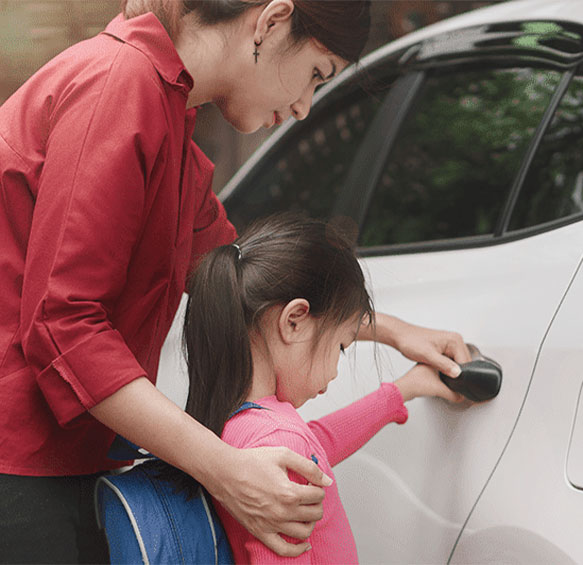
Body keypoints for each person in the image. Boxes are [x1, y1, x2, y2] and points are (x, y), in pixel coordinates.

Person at [0, 0, 470, 562]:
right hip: (17, 466)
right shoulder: (117, 85)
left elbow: (240, 276)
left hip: (61, 462)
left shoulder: (166, 115)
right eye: (316, 75)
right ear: (271, 22)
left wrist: (390, 331)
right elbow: (65, 326)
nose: (302, 108)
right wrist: (226, 470)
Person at [181, 214, 466, 564]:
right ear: (294, 321)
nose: (334, 371)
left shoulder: (242, 424)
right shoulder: (279, 440)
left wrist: (402, 391)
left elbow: (318, 444)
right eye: (341, 347)